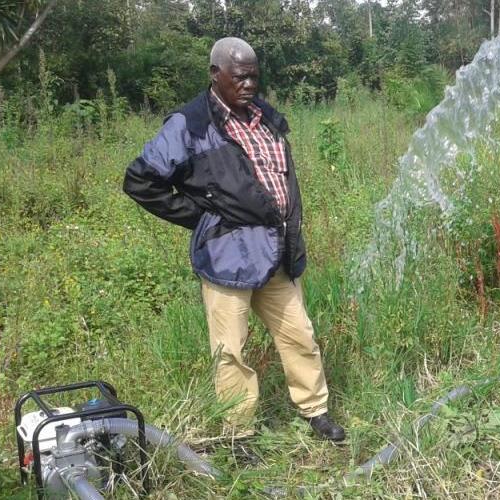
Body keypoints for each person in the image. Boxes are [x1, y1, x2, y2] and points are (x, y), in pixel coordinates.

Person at [123, 37, 346, 442]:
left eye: (254, 77)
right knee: (231, 353)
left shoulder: (265, 117)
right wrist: (200, 217)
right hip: (228, 258)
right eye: (240, 77)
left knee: (300, 335)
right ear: (215, 74)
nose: (248, 85)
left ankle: (315, 411)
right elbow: (140, 180)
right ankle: (237, 434)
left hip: (277, 252)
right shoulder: (190, 124)